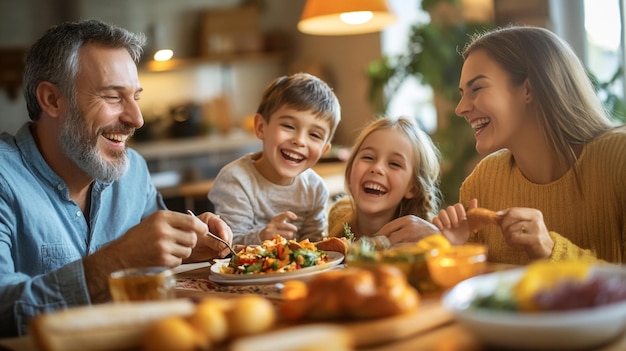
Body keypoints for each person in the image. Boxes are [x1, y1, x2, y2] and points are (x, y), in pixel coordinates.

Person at [0, 19, 233, 337]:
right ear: (52, 100)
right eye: (112, 97)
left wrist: (186, 247)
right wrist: (115, 261)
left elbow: (153, 271)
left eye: (135, 97)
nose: (136, 119)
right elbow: (4, 311)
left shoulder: (133, 171)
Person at [433, 25, 626, 264]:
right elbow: (479, 294)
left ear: (528, 88)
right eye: (463, 93)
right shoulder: (482, 182)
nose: (460, 108)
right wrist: (453, 252)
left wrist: (550, 249)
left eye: (477, 88)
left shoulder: (620, 160)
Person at [208, 73, 341, 245]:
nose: (299, 140)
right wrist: (262, 237)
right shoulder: (235, 180)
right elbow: (225, 247)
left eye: (314, 135)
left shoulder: (314, 189)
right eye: (288, 126)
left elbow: (314, 246)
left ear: (324, 150)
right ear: (261, 127)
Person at [327, 116, 442, 244]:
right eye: (368, 157)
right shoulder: (338, 215)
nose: (377, 168)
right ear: (350, 172)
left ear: (413, 188)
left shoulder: (423, 239)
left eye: (394, 164)